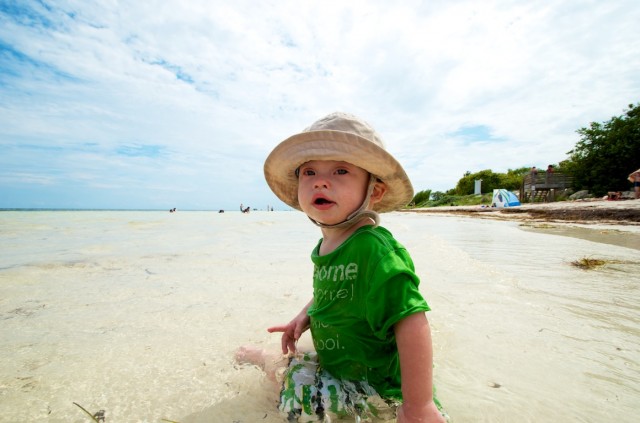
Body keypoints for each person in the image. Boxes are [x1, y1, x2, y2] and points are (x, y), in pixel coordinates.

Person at [236, 112, 447, 422]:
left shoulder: (374, 249)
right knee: (301, 374)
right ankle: (270, 359)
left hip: (377, 386)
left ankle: (265, 358)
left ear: (374, 191)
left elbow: (411, 319)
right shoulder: (329, 244)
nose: (321, 180)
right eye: (309, 172)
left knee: (296, 400)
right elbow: (338, 289)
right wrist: (304, 315)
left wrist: (419, 406)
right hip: (340, 365)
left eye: (340, 170)